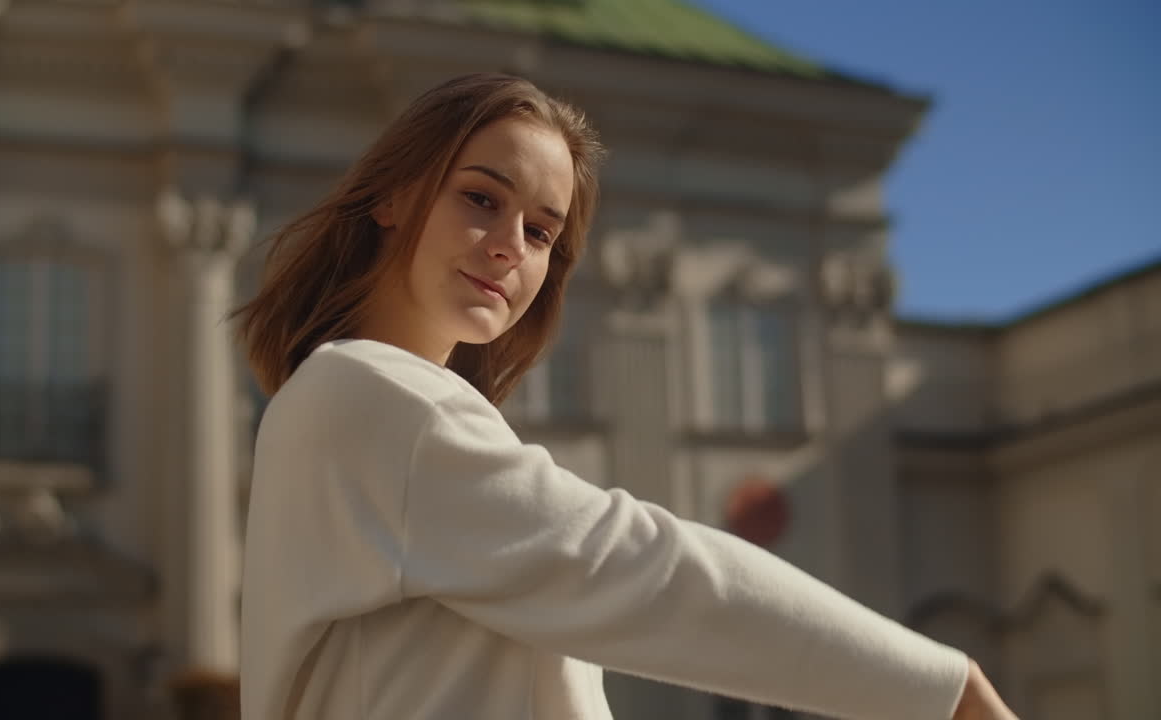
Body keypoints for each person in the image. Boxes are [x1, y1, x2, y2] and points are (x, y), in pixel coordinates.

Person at [233, 73, 1018, 720]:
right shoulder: (369, 394)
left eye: (541, 232)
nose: (510, 246)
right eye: (481, 198)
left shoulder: (362, 399)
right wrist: (944, 691)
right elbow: (643, 569)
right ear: (393, 197)